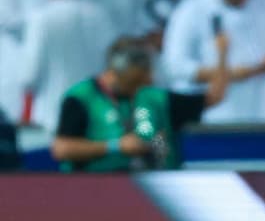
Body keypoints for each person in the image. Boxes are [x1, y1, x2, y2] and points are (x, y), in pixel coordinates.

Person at [51, 36, 228, 172]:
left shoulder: (153, 98)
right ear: (114, 73)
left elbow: (213, 97)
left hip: (153, 185)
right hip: (95, 187)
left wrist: (221, 55)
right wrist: (116, 146)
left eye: (142, 83)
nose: (136, 90)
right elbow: (61, 149)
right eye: (132, 82)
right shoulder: (81, 98)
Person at [20, 0, 116, 133]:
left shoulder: (40, 18)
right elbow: (111, 65)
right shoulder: (98, 15)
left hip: (52, 115)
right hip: (94, 113)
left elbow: (29, 74)